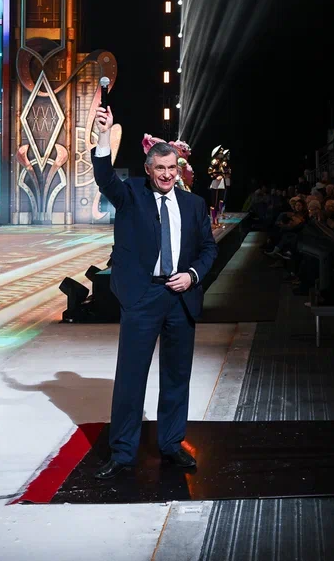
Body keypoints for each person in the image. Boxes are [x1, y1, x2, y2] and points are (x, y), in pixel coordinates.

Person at [90, 104, 218, 478]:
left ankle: (171, 445)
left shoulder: (193, 204)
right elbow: (104, 176)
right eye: (159, 168)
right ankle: (122, 452)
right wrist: (103, 134)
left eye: (171, 168)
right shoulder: (131, 193)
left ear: (179, 169)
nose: (166, 174)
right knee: (131, 378)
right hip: (142, 296)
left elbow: (208, 249)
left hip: (181, 299)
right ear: (148, 169)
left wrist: (192, 275)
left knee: (177, 377)